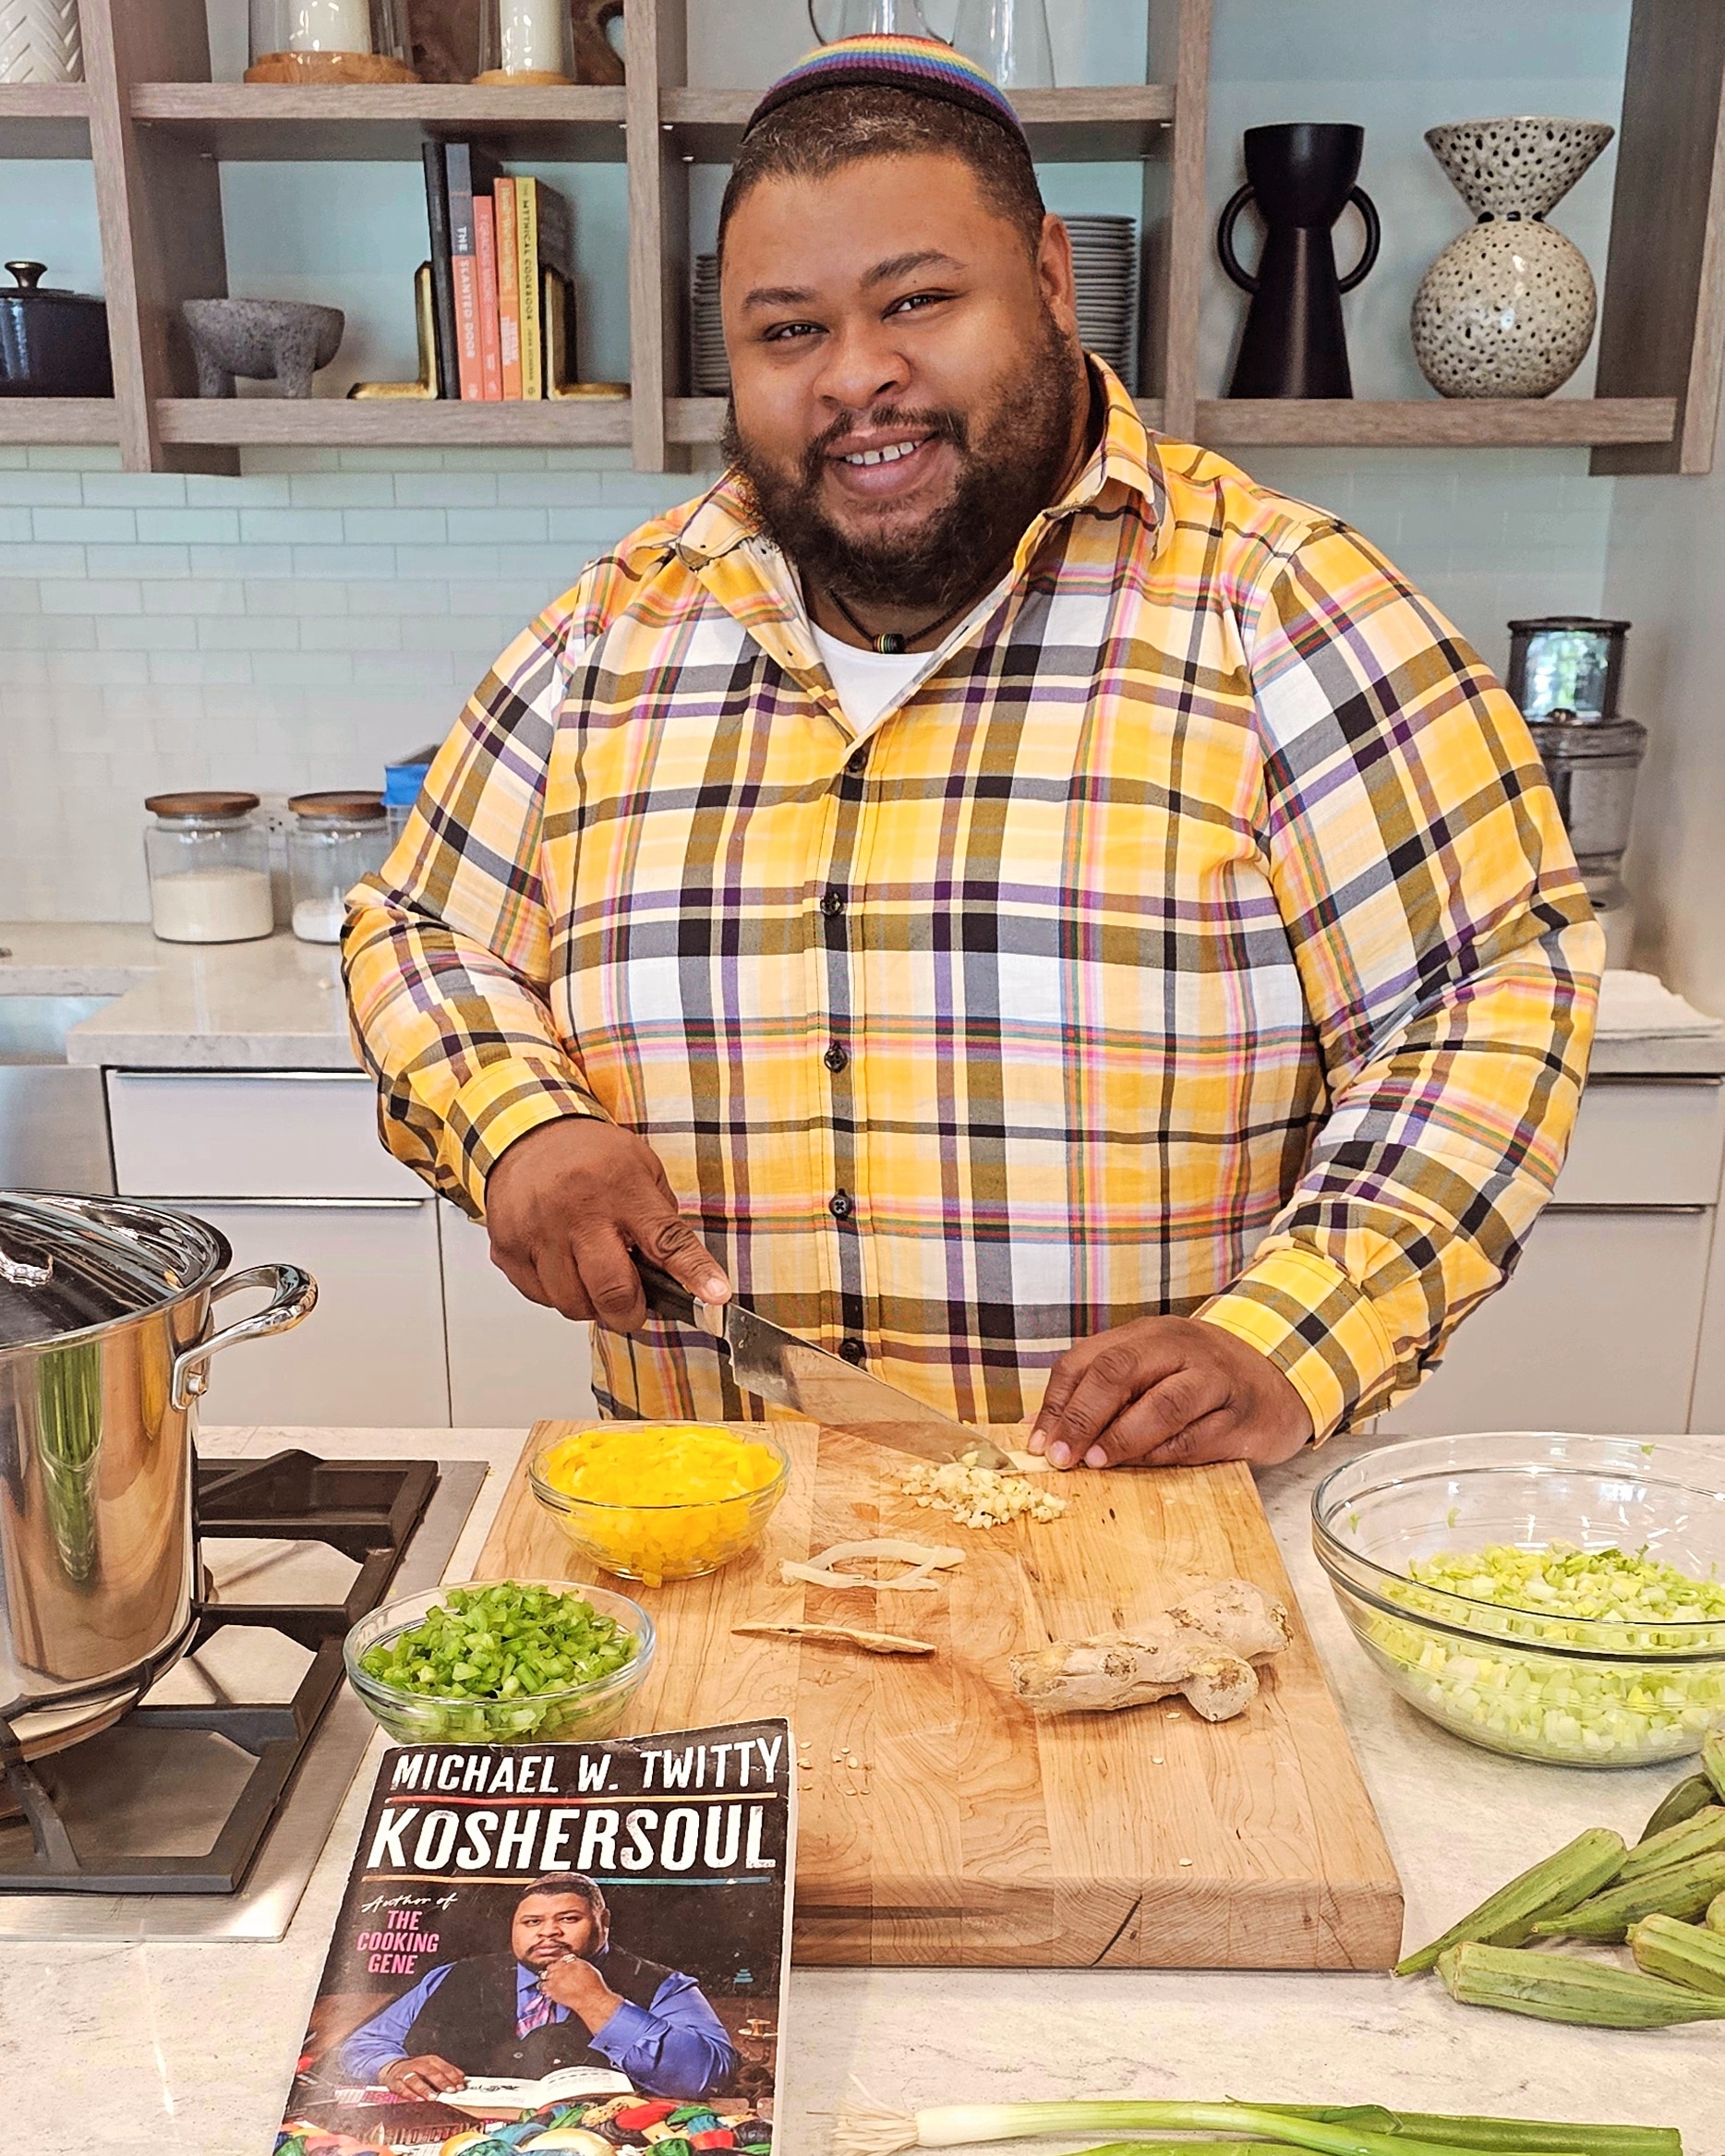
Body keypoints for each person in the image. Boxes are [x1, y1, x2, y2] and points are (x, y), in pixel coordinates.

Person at [344, 35, 1601, 1472]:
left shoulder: (1289, 606)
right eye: (786, 330)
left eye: (920, 301)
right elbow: (422, 928)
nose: (857, 377)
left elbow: (1486, 997)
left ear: (1053, 281)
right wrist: (518, 1125)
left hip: (1149, 1558)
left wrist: (1292, 1332)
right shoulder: (616, 631)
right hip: (715, 1542)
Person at [337, 1873, 737, 2102]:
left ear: (604, 1922)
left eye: (568, 1918)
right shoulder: (452, 1975)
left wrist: (597, 2002)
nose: (548, 1931)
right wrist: (394, 2066)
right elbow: (362, 2046)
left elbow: (709, 2073)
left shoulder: (665, 1984)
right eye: (531, 1923)